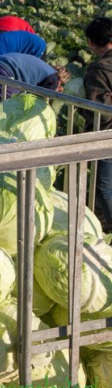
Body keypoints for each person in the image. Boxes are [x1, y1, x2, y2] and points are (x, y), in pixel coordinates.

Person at [82, 17, 112, 230]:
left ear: (91, 42)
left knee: (103, 187)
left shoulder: (100, 69)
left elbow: (99, 111)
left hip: (108, 135)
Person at [0, 52, 69, 107]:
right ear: (61, 80)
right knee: (8, 112)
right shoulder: (54, 79)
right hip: (4, 71)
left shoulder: (44, 68)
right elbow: (42, 102)